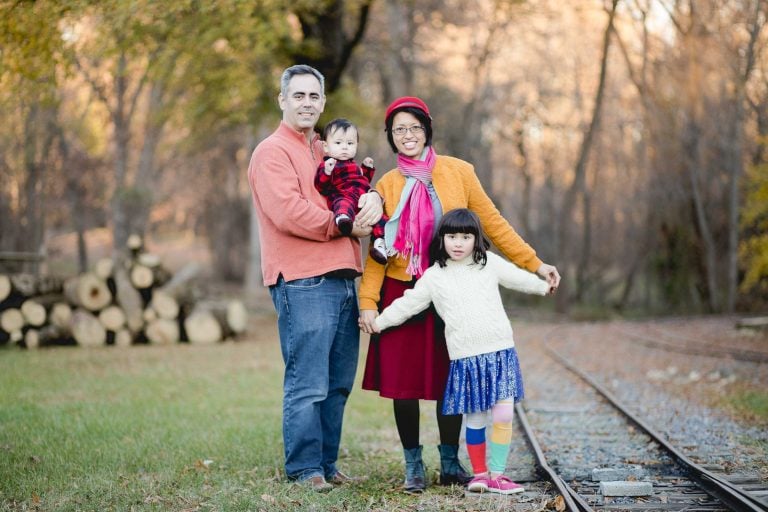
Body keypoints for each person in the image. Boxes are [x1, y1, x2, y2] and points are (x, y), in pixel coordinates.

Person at [357, 96, 561, 493]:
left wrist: (535, 264)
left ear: (427, 130)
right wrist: (368, 303)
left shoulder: (459, 173)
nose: (408, 135)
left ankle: (450, 463)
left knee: (448, 379)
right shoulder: (386, 184)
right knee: (404, 384)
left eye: (415, 128)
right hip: (402, 290)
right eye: (399, 130)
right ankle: (413, 466)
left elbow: (494, 226)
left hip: (453, 292)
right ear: (391, 138)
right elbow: (379, 250)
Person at [247, 64, 383, 492]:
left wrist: (374, 197)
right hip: (303, 279)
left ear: (323, 103)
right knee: (308, 380)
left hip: (345, 277)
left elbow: (357, 186)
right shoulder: (271, 153)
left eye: (314, 97)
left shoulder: (325, 149)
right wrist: (345, 226)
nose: (307, 103)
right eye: (299, 96)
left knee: (339, 382)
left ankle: (326, 464)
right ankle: (305, 469)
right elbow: (288, 212)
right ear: (282, 100)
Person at [369, 208, 552, 494]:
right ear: (441, 239)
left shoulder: (488, 263)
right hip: (466, 359)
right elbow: (408, 303)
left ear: (476, 239)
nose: (457, 243)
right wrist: (378, 322)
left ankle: (499, 474)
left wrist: (543, 286)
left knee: (503, 415)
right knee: (476, 418)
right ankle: (480, 474)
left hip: (499, 352)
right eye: (451, 236)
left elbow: (517, 277)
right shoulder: (434, 276)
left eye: (465, 237)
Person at [315, 118, 389, 264]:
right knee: (342, 204)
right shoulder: (329, 164)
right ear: (326, 146)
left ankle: (380, 244)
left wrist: (367, 169)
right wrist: (327, 172)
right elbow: (321, 186)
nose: (344, 147)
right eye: (338, 143)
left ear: (356, 145)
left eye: (350, 143)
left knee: (382, 220)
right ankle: (342, 219)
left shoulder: (355, 166)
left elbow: (362, 181)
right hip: (343, 195)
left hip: (361, 200)